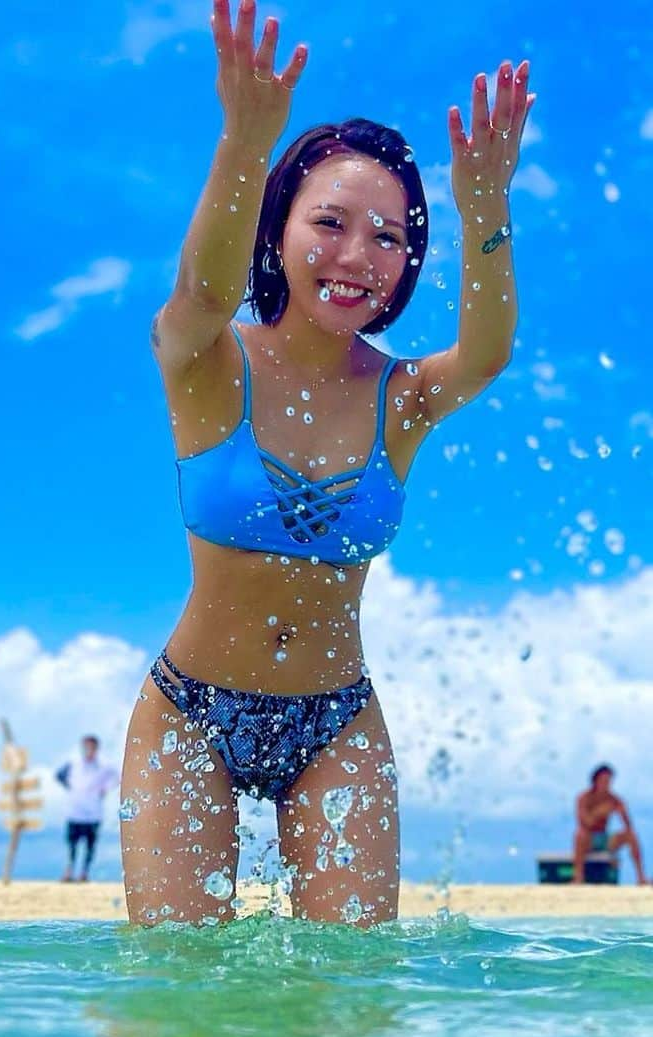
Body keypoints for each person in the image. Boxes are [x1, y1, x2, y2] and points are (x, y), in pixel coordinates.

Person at [121, 0, 535, 926]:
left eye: (389, 236)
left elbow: (488, 353)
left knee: (350, 1003)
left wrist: (486, 208)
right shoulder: (205, 361)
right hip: (190, 716)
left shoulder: (403, 397)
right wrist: (245, 140)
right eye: (332, 223)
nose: (359, 256)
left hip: (336, 720)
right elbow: (201, 288)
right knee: (180, 997)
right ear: (278, 230)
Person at [56, 735, 119, 882]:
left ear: (96, 748)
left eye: (91, 747)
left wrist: (105, 789)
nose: (88, 750)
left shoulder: (104, 765)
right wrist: (70, 787)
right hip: (75, 810)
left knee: (90, 846)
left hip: (93, 812)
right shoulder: (73, 763)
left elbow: (118, 776)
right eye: (86, 747)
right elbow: (59, 775)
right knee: (72, 844)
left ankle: (84, 872)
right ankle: (69, 870)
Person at [573, 764, 648, 885]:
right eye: (603, 781)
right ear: (595, 781)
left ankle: (641, 877)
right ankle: (578, 877)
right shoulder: (584, 798)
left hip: (605, 839)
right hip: (588, 840)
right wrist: (599, 812)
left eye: (608, 781)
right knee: (579, 835)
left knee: (631, 835)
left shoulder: (613, 799)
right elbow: (583, 823)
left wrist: (623, 813)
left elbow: (628, 826)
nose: (606, 784)